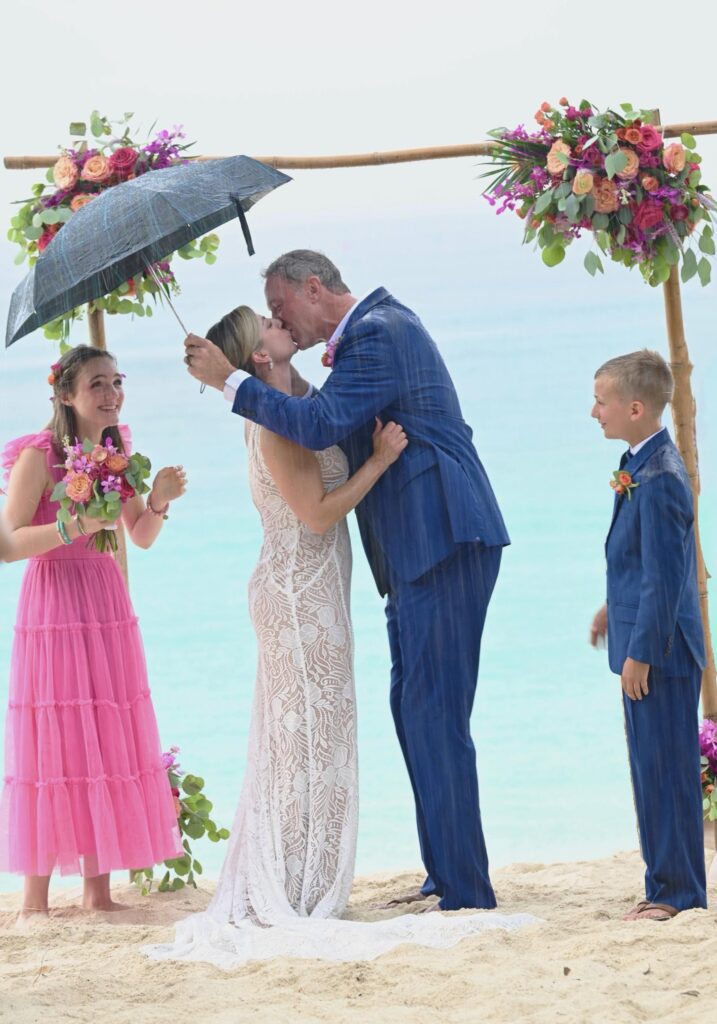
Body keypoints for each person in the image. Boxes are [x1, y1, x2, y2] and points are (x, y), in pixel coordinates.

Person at [183, 250, 510, 912]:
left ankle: (465, 889)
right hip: (412, 549)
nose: (280, 320)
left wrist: (232, 383)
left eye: (280, 307)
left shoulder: (376, 332)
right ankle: (445, 871)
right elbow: (312, 417)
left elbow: (324, 424)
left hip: (442, 536)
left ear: (313, 287)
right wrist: (246, 378)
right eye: (269, 318)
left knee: (433, 714)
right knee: (412, 711)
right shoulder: (367, 338)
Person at [1, 344, 187, 918]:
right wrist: (77, 522)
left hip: (105, 600)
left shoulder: (117, 453)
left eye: (116, 382)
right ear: (65, 394)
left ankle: (97, 891)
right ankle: (34, 901)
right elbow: (7, 544)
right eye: (97, 385)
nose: (111, 395)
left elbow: (141, 536)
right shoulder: (39, 454)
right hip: (54, 599)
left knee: (105, 727)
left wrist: (155, 499)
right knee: (53, 733)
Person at [589, 349, 707, 921]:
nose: (594, 412)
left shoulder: (659, 478)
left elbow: (665, 579)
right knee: (651, 769)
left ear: (636, 408)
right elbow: (646, 561)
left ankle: (677, 892)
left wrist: (640, 653)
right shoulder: (641, 459)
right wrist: (613, 608)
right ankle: (665, 883)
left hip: (661, 651)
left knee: (665, 771)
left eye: (602, 401)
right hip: (646, 634)